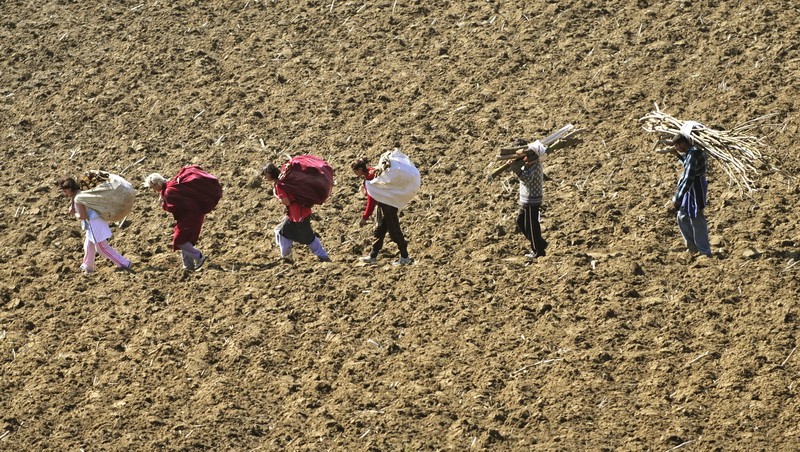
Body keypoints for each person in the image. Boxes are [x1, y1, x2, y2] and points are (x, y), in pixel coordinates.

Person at [58, 177, 132, 274]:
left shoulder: (78, 198)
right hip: (95, 221)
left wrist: (74, 213)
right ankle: (88, 266)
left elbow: (82, 216)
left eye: (65, 191)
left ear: (71, 189)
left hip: (94, 223)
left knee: (101, 248)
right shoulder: (81, 193)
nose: (65, 193)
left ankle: (125, 264)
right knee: (88, 245)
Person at [261, 163, 331, 263]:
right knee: (282, 233)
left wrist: (275, 195)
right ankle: (286, 257)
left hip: (298, 214)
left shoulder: (280, 186)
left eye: (265, 175)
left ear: (270, 174)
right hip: (298, 212)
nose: (264, 177)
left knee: (307, 237)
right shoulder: (283, 181)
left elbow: (286, 201)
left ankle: (323, 256)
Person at [351, 157, 412, 265]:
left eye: (355, 172)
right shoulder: (371, 172)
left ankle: (405, 257)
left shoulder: (370, 180)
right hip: (386, 205)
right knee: (380, 231)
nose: (355, 174)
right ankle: (373, 256)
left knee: (395, 232)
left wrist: (365, 218)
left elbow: (371, 201)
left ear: (360, 169)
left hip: (388, 206)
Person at [144, 173, 208, 271]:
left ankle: (199, 257)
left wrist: (163, 204)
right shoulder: (170, 187)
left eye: (153, 187)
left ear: (157, 183)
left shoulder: (169, 192)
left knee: (180, 240)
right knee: (186, 240)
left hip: (189, 217)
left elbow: (175, 207)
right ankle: (188, 266)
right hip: (192, 216)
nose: (153, 190)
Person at [668, 133, 712, 257]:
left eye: (677, 146)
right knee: (682, 216)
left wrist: (678, 198)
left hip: (695, 188)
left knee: (697, 217)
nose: (676, 148)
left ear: (683, 144)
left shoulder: (694, 153)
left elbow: (688, 178)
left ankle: (704, 251)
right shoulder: (693, 151)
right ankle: (692, 248)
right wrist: (677, 155)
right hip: (692, 186)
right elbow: (689, 165)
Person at [509, 139, 548, 259]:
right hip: (526, 199)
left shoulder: (534, 164)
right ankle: (540, 243)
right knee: (520, 222)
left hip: (532, 200)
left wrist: (515, 169)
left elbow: (526, 179)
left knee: (531, 225)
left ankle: (538, 251)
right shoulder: (529, 163)